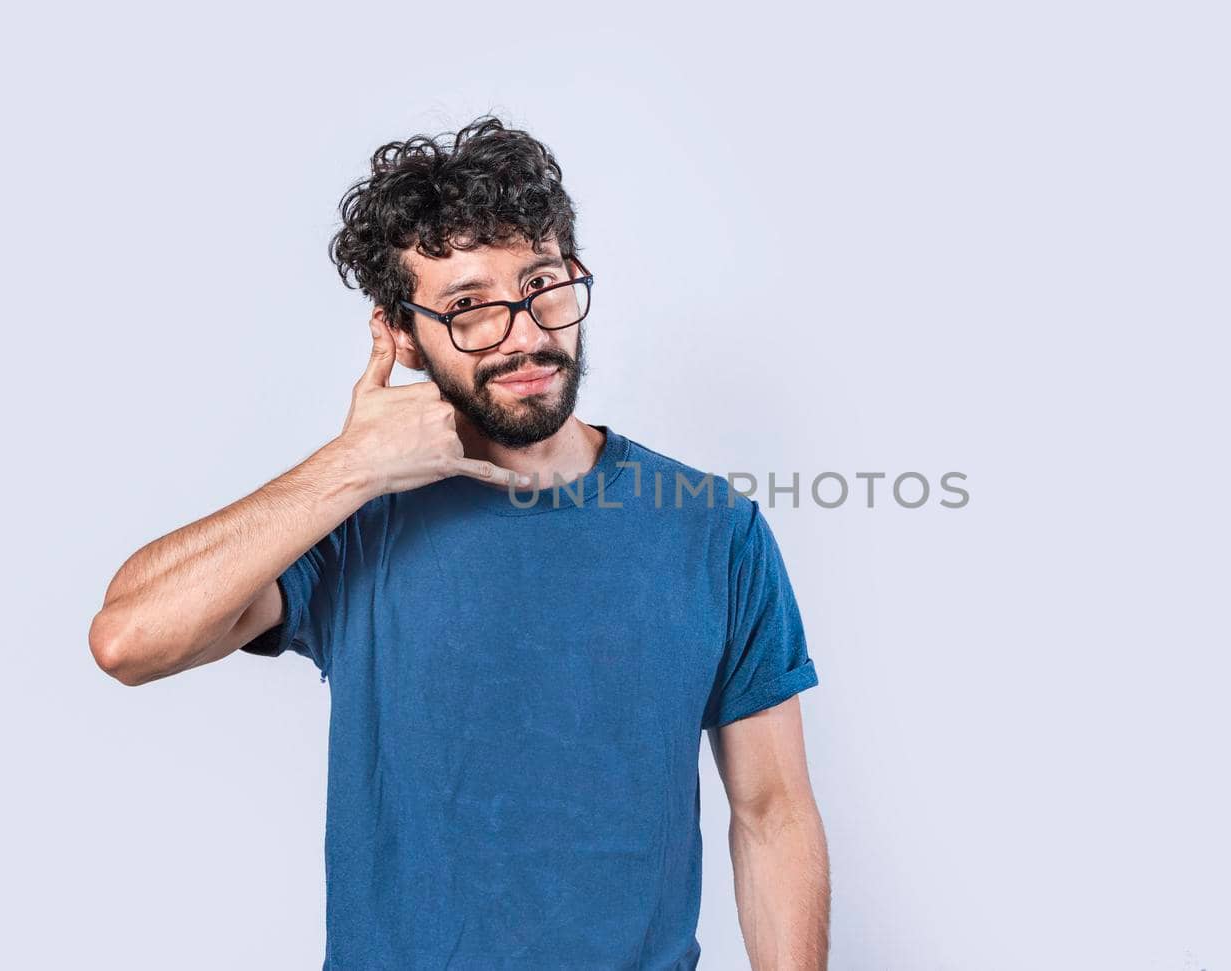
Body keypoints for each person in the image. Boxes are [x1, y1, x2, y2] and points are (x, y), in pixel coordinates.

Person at [88, 116, 828, 970]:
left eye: (543, 283)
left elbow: (773, 813)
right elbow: (128, 641)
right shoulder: (354, 521)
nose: (523, 332)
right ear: (401, 335)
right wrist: (349, 466)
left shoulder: (712, 529)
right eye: (469, 307)